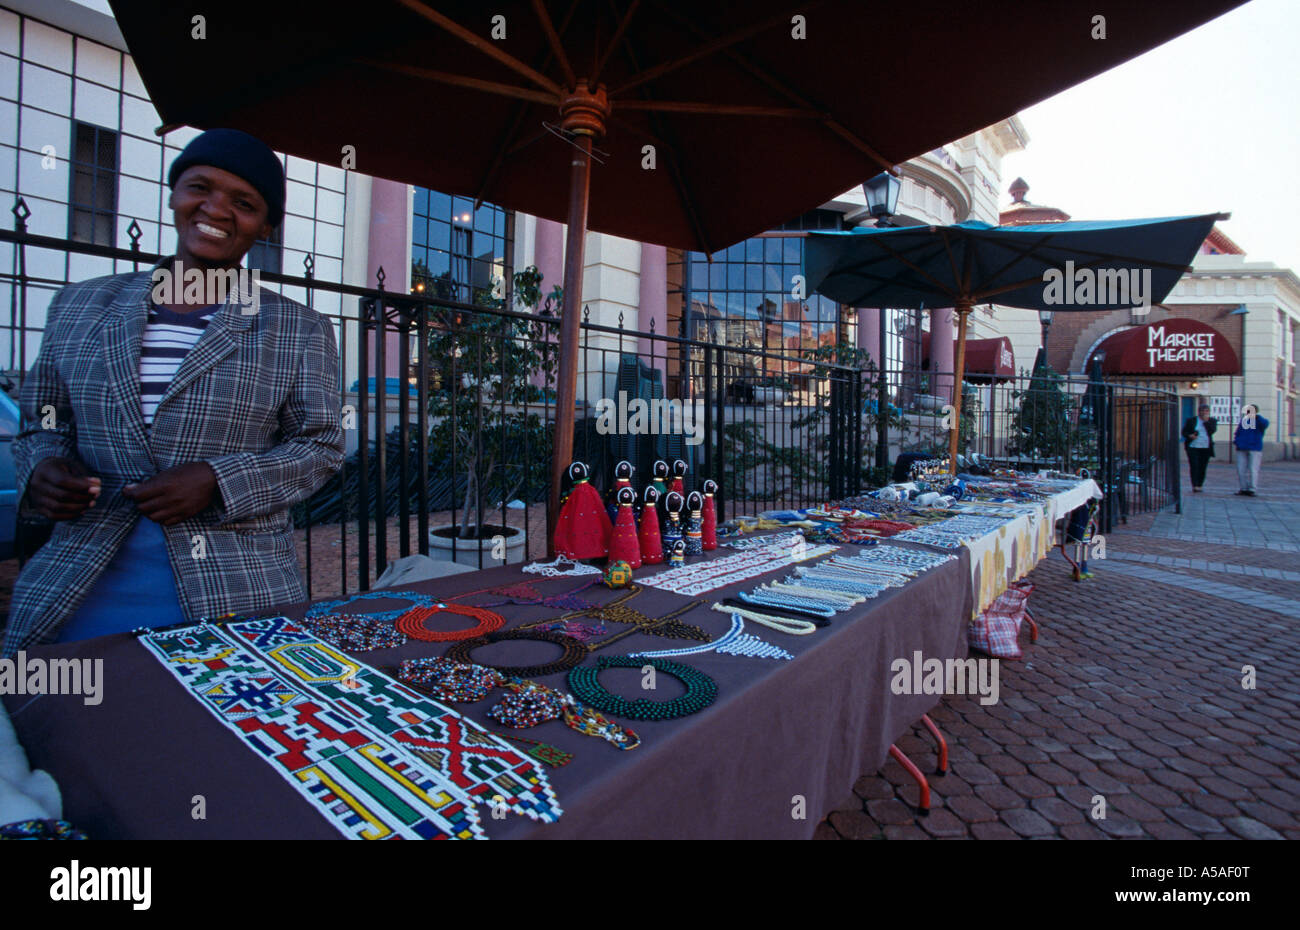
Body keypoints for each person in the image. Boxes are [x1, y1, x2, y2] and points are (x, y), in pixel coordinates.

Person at [2, 129, 344, 655]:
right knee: (64, 722)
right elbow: (44, 421)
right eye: (199, 187)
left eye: (244, 203)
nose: (216, 209)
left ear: (266, 225)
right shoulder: (78, 307)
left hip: (238, 586)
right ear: (173, 194)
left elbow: (320, 446)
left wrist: (217, 479)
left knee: (224, 730)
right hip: (79, 582)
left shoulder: (299, 328)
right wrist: (44, 469)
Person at [1231, 403, 1269, 497]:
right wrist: (1237, 441)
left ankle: (1252, 488)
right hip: (1241, 448)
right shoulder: (1244, 421)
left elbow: (1265, 424)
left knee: (1253, 469)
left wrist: (1257, 417)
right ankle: (1243, 488)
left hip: (1254, 448)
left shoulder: (1259, 421)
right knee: (1240, 469)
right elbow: (1238, 432)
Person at [1180, 403, 1217, 493]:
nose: (1204, 413)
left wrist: (1206, 422)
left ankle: (1200, 484)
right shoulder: (1191, 420)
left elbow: (1212, 431)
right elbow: (1184, 432)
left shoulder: (1212, 421)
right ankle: (1195, 485)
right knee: (1194, 465)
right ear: (1199, 411)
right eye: (1202, 411)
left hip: (1206, 447)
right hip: (1193, 446)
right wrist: (1190, 435)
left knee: (1203, 466)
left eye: (1206, 411)